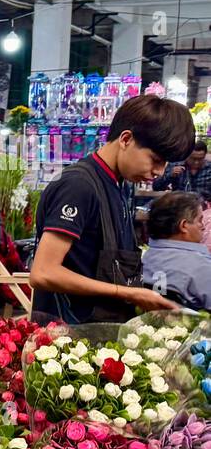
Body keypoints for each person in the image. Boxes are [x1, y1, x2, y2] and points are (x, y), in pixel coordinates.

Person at [30, 94, 193, 324]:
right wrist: (128, 293)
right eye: (155, 159)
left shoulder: (119, 184)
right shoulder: (79, 186)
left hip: (98, 334)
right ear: (126, 139)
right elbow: (43, 273)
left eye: (165, 164)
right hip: (67, 338)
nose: (159, 171)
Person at [142, 191, 211, 310]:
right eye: (199, 220)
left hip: (145, 324)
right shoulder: (201, 266)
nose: (203, 226)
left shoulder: (145, 257)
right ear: (184, 225)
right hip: (190, 326)